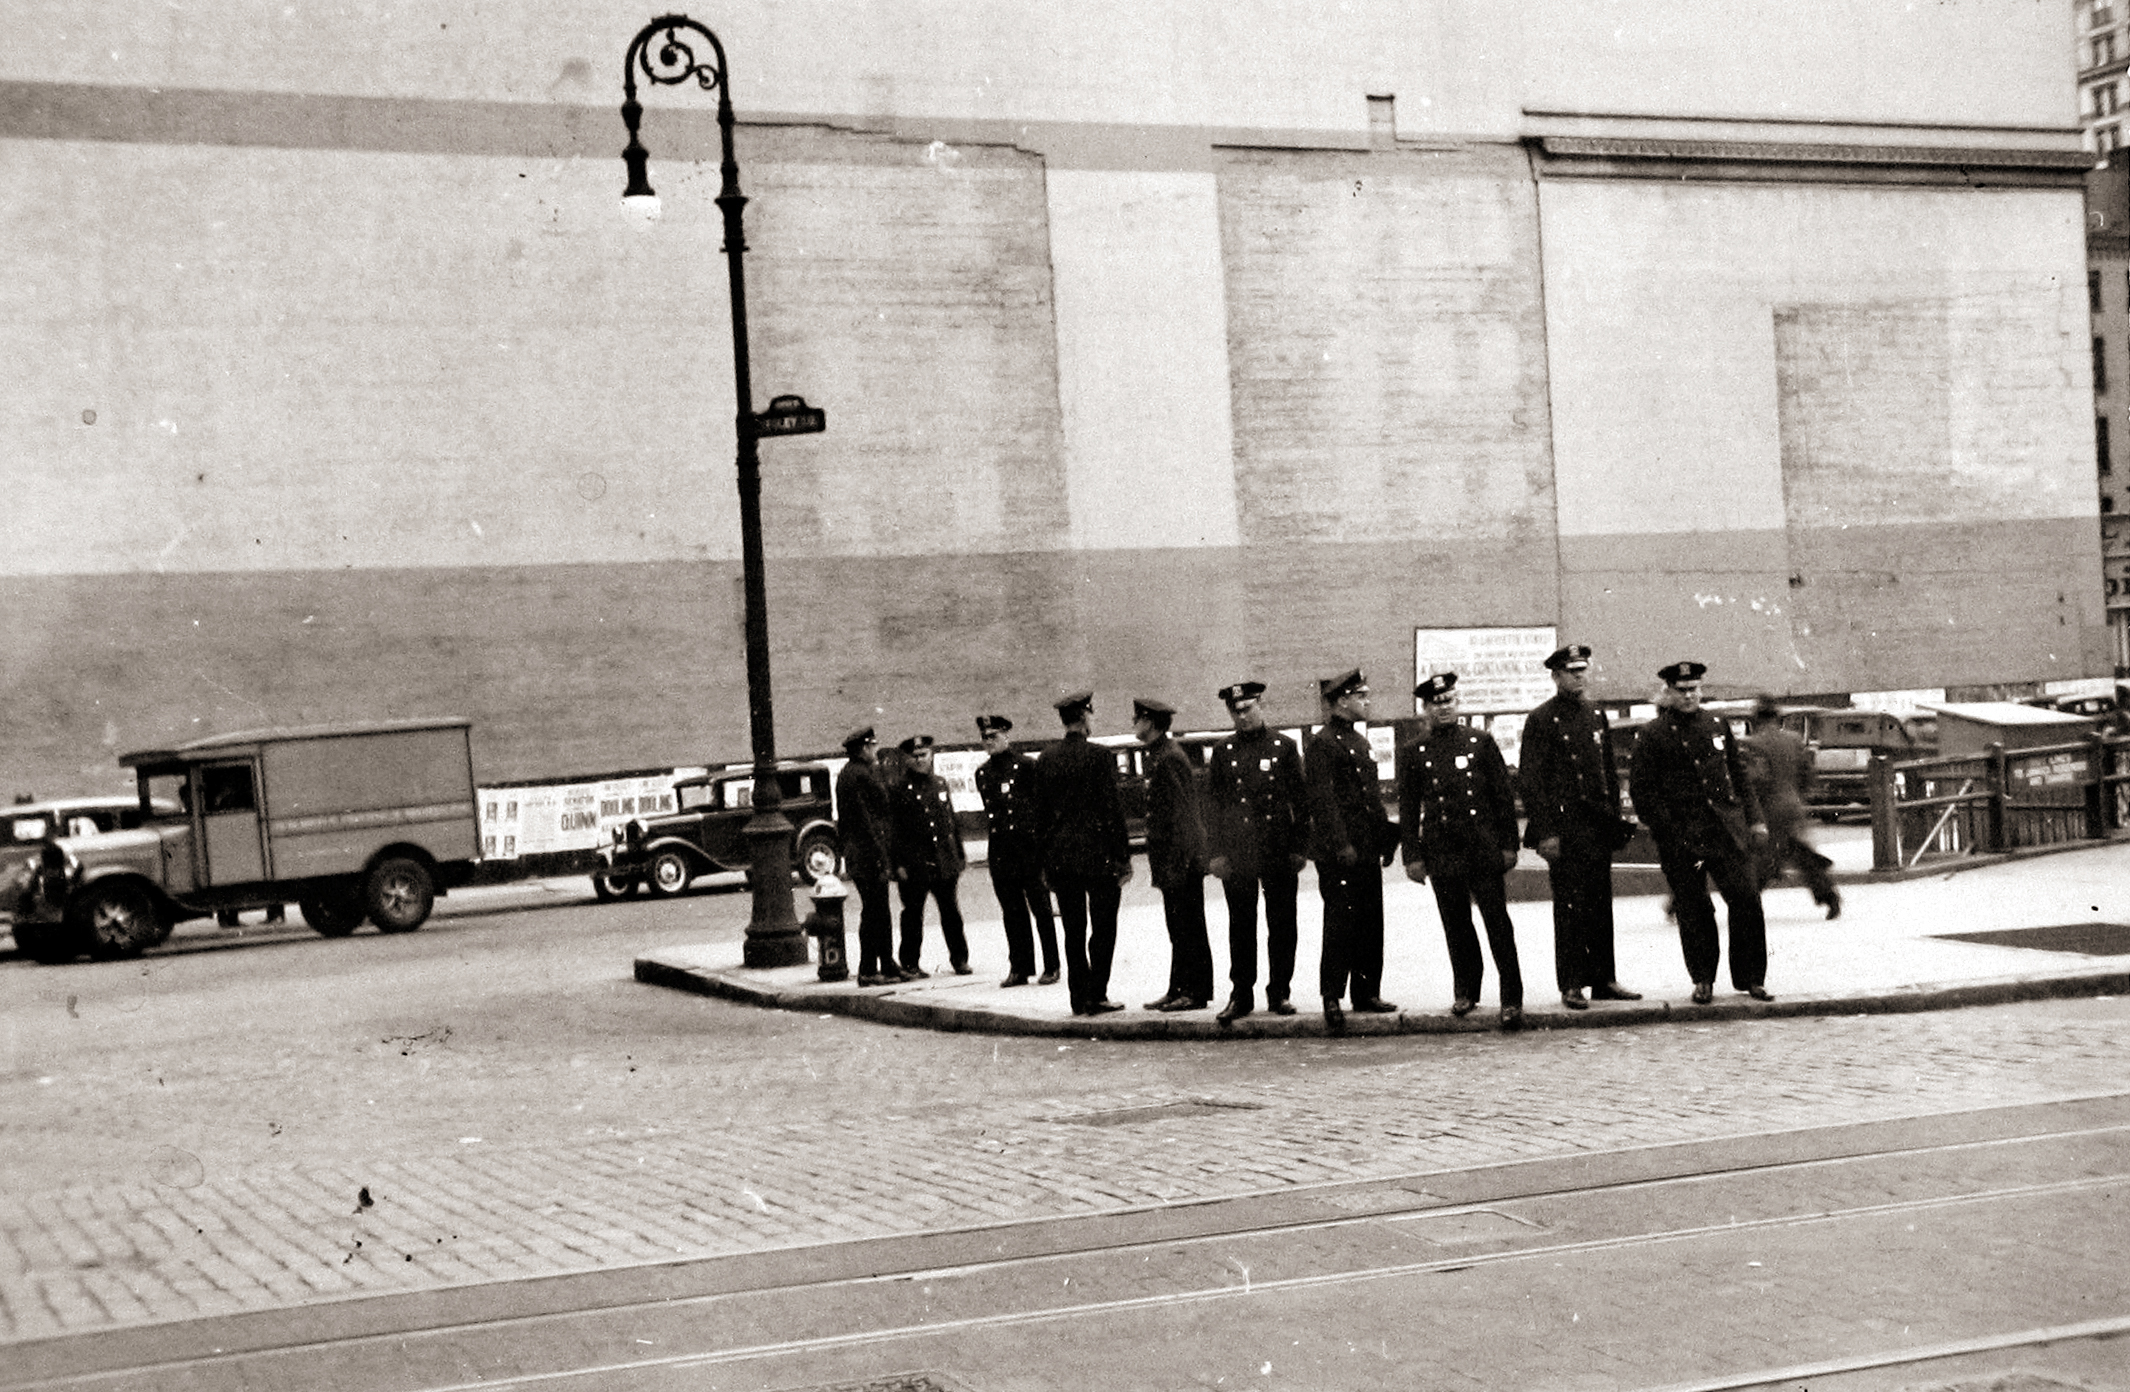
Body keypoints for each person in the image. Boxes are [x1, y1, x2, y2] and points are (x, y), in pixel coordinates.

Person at [1631, 661, 1773, 1004]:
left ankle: (1751, 978)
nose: (1689, 696)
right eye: (1681, 691)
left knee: (1746, 899)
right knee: (1694, 911)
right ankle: (1703, 979)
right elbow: (1643, 792)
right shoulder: (1653, 734)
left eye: (1693, 689)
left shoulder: (1716, 724)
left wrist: (1755, 819)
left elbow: (1739, 777)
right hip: (1682, 836)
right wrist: (1669, 831)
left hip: (1724, 831)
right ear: (1668, 693)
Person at [1518, 644, 1642, 1010]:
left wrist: (1616, 817)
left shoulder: (1595, 716)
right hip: (1565, 827)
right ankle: (1571, 983)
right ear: (1556, 676)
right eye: (1571, 671)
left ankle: (1604, 979)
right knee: (1570, 907)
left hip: (1596, 825)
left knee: (1600, 905)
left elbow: (1606, 771)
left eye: (1582, 670)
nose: (1578, 676)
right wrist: (1546, 832)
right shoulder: (1541, 720)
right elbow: (1532, 781)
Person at [1399, 672, 1524, 1028]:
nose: (1444, 708)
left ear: (1458, 703)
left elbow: (1502, 797)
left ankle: (1512, 997)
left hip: (1481, 847)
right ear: (1425, 708)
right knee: (1456, 925)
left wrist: (1508, 844)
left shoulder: (1480, 742)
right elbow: (1409, 809)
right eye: (1436, 703)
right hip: (1442, 850)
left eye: (1449, 701)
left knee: (1497, 923)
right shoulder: (1414, 751)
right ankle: (1466, 990)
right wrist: (1413, 855)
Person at [1205, 680, 1309, 1024]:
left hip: (1277, 849)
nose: (1243, 716)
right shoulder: (1223, 752)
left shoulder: (1284, 746)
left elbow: (1301, 801)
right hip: (1239, 853)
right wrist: (1217, 853)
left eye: (1248, 708)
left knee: (1282, 924)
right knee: (1241, 925)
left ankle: (1279, 991)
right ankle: (1241, 995)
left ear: (1260, 705)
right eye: (1236, 711)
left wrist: (1298, 846)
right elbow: (1215, 806)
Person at [1305, 668, 1398, 1033]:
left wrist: (1385, 840)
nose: (1367, 701)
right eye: (1361, 696)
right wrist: (1340, 843)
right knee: (1340, 922)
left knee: (1370, 920)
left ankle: (1366, 992)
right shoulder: (1322, 744)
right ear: (1342, 700)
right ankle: (1332, 994)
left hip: (1365, 849)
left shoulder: (1359, 743)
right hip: (1339, 852)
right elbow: (1323, 801)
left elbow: (1371, 802)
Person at [1031, 691, 1132, 1015]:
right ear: (1086, 717)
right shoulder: (1101, 757)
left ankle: (1078, 997)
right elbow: (1112, 811)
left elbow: (1040, 816)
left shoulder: (1045, 758)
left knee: (1073, 930)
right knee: (1103, 928)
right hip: (1098, 857)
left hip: (1061, 859)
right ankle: (1097, 993)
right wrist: (1123, 858)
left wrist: (1045, 862)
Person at [1135, 697, 1213, 1012]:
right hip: (1171, 859)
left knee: (1189, 926)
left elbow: (1184, 813)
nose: (1134, 724)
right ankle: (1178, 987)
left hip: (1180, 860)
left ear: (1150, 722)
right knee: (1178, 927)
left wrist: (1183, 860)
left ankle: (1196, 991)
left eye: (1137, 719)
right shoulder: (1159, 755)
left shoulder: (1169, 758)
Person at [973, 714, 1061, 988]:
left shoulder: (1026, 767)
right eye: (985, 738)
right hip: (1001, 851)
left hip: (1029, 849)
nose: (990, 742)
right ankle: (1019, 967)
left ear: (1007, 736)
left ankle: (1051, 965)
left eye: (994, 736)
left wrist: (1044, 849)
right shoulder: (983, 773)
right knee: (1012, 912)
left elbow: (1043, 808)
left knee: (1041, 909)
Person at [1744, 696, 1841, 920]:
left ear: (1756, 720)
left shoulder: (1753, 744)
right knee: (1800, 855)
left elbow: (1756, 780)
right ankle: (1829, 896)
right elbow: (1807, 773)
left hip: (1769, 810)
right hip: (1793, 806)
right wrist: (1799, 796)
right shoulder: (1794, 740)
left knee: (1761, 858)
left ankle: (1747, 903)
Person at [889, 734, 970, 978]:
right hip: (916, 863)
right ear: (907, 760)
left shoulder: (941, 783)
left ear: (931, 754)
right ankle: (910, 963)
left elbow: (951, 823)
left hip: (943, 861)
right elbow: (894, 831)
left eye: (923, 755)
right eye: (914, 757)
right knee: (913, 914)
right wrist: (898, 864)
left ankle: (960, 959)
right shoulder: (898, 789)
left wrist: (959, 854)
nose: (919, 760)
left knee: (951, 912)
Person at [835, 726, 902, 986]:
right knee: (874, 912)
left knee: (879, 911)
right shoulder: (858, 776)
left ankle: (886, 964)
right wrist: (881, 855)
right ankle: (868, 970)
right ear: (863, 748)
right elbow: (866, 822)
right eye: (872, 746)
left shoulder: (852, 773)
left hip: (863, 854)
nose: (876, 750)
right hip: (867, 854)